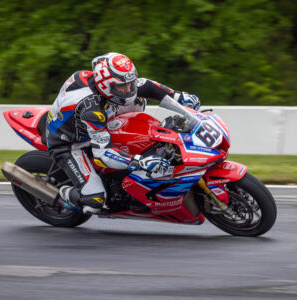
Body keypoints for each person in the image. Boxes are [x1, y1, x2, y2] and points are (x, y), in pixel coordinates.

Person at [46, 52, 200, 214]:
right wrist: (139, 161)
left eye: (130, 83)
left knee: (138, 99)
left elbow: (146, 85)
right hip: (70, 144)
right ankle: (63, 194)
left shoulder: (110, 82)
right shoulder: (92, 110)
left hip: (92, 122)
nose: (128, 89)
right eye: (121, 86)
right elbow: (102, 153)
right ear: (106, 85)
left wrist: (179, 97)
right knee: (95, 201)